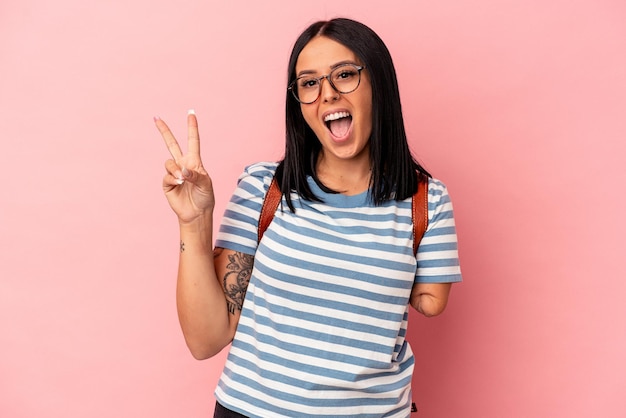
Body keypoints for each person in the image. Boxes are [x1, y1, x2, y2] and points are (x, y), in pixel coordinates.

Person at [156, 17, 462, 418]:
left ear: (379, 85)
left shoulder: (426, 201)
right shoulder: (263, 187)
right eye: (310, 83)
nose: (328, 95)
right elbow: (205, 340)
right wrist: (194, 222)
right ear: (298, 101)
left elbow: (431, 301)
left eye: (345, 75)